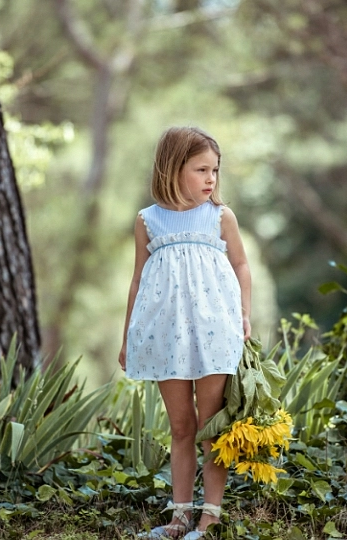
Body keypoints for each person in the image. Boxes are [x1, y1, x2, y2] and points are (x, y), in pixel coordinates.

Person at [119, 126, 251, 539]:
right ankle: (180, 516)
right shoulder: (148, 220)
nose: (211, 179)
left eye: (215, 170)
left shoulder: (219, 216)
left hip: (215, 332)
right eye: (201, 169)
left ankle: (210, 516)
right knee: (181, 427)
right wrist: (128, 336)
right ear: (173, 168)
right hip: (165, 334)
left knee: (211, 426)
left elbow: (242, 266)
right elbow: (139, 281)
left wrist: (245, 315)